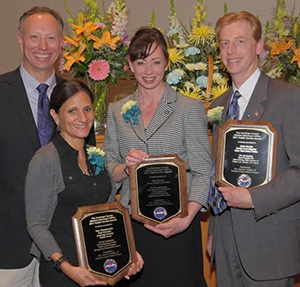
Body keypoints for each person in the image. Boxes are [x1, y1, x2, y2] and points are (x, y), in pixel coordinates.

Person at [104, 27, 212, 287]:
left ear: (166, 63)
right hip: (134, 226)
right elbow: (109, 164)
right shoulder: (117, 111)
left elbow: (203, 170)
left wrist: (187, 218)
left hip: (179, 224)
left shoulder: (189, 108)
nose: (148, 71)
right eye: (141, 62)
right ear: (130, 65)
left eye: (155, 62)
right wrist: (126, 169)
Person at [207, 11, 300, 287]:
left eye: (239, 41)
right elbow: (218, 174)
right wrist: (214, 231)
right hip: (225, 244)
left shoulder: (289, 97)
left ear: (259, 46)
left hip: (269, 243)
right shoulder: (218, 104)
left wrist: (253, 199)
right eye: (224, 44)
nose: (230, 51)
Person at [25, 79, 143, 287]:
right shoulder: (45, 159)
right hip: (64, 273)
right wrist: (66, 267)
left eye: (87, 109)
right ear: (55, 115)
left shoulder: (98, 156)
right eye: (72, 111)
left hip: (102, 268)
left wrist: (128, 253)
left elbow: (109, 213)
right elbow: (36, 224)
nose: (82, 118)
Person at [0, 7, 75, 286]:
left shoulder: (75, 98)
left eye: (51, 38)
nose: (43, 47)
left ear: (61, 43)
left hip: (65, 251)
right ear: (20, 40)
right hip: (7, 248)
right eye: (34, 37)